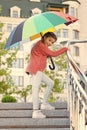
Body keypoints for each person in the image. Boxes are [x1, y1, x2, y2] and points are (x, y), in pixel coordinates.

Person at [26, 32, 68, 118]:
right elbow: (54, 54)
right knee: (35, 89)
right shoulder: (40, 45)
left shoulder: (41, 45)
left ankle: (44, 103)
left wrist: (46, 55)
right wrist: (65, 49)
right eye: (49, 40)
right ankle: (36, 112)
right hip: (36, 69)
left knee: (50, 83)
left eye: (52, 42)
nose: (50, 43)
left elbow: (41, 54)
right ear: (44, 37)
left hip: (39, 70)